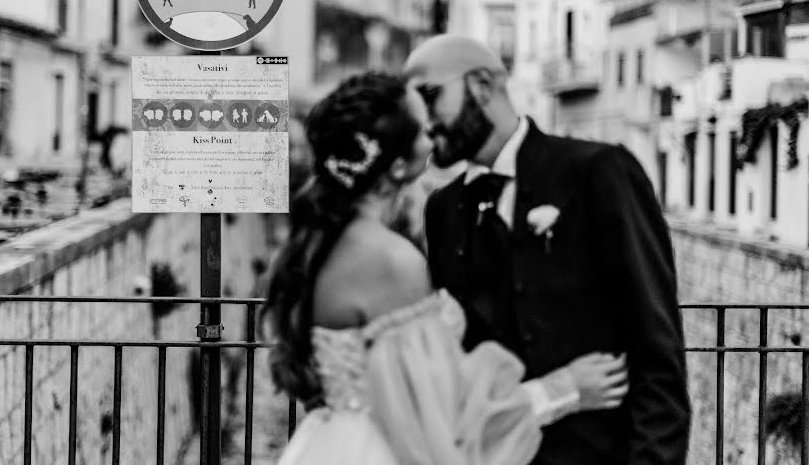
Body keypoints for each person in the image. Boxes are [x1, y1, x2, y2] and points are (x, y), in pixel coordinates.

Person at [262, 72, 628, 465]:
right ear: (399, 165)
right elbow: (441, 421)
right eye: (422, 128)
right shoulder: (392, 261)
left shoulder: (319, 244)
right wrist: (562, 389)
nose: (433, 131)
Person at [405, 35, 691, 465]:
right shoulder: (442, 211)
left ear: (482, 84)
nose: (423, 122)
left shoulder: (598, 172)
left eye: (430, 97)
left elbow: (658, 355)